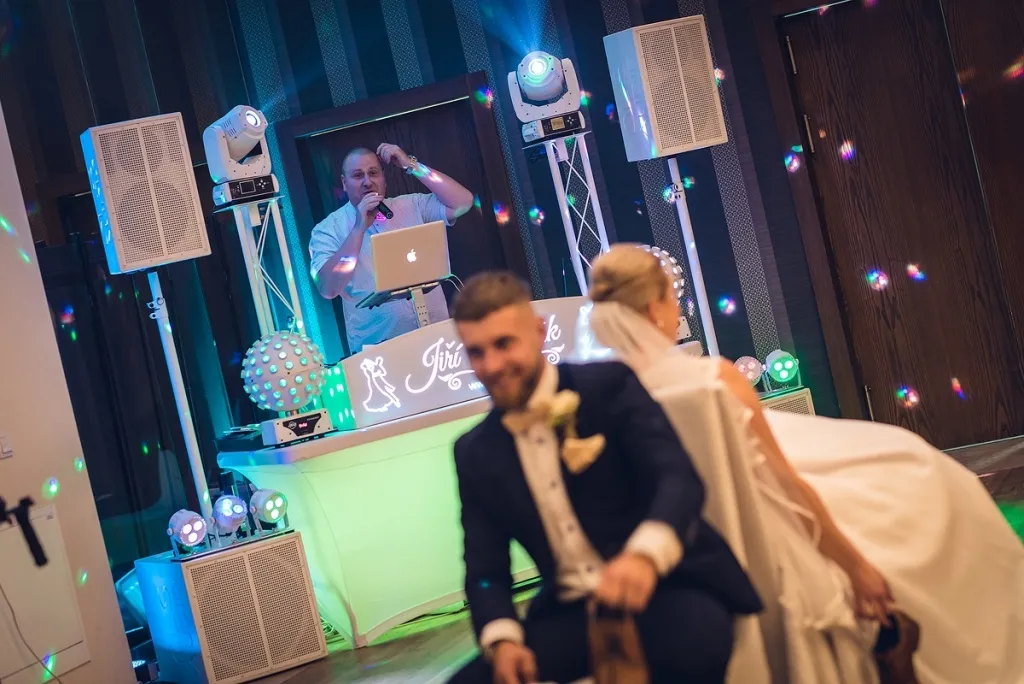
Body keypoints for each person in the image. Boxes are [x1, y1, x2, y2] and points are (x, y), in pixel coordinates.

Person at [583, 244, 1024, 684]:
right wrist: (855, 566)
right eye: (672, 298)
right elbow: (783, 480)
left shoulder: (595, 400)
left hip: (676, 540)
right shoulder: (712, 379)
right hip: (763, 506)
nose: (678, 309)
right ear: (654, 307)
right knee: (918, 471)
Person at [446, 271, 763, 684]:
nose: (491, 366)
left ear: (538, 333)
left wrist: (643, 556)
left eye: (504, 344)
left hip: (669, 586)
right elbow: (484, 568)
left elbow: (678, 479)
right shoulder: (474, 451)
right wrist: (502, 640)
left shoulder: (609, 385)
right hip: (571, 612)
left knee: (692, 649)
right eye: (476, 352)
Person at [308, 144, 474, 353]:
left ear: (383, 178)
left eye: (373, 173)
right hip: (380, 353)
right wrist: (359, 228)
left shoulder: (411, 205)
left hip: (437, 341)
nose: (367, 182)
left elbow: (463, 202)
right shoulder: (327, 229)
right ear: (344, 182)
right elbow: (328, 288)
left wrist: (412, 165)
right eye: (358, 175)